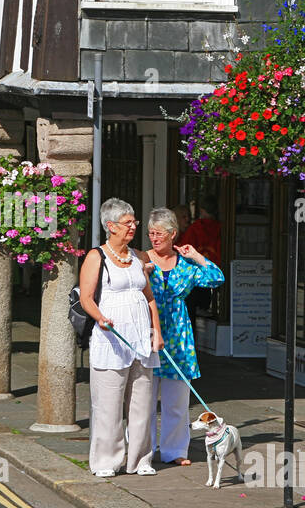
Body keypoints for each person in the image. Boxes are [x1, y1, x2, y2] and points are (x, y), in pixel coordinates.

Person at [79, 198, 164, 477]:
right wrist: (100, 317)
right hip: (111, 339)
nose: (133, 227)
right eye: (128, 223)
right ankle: (106, 461)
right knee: (108, 404)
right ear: (110, 226)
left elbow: (149, 298)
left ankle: (140, 460)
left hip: (141, 338)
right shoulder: (96, 257)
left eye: (134, 222)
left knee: (142, 403)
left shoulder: (140, 257)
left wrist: (157, 333)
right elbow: (86, 298)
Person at [144, 207, 225, 466]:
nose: (154, 239)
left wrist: (198, 256)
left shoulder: (186, 263)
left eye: (159, 234)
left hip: (178, 336)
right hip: (147, 333)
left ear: (173, 235)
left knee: (176, 402)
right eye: (151, 233)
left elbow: (216, 278)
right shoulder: (141, 260)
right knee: (143, 401)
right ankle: (142, 452)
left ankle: (175, 451)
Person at [178, 195, 222, 316]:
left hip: (195, 276)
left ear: (202, 210)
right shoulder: (221, 228)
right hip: (214, 270)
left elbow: (184, 251)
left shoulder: (195, 228)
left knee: (191, 310)